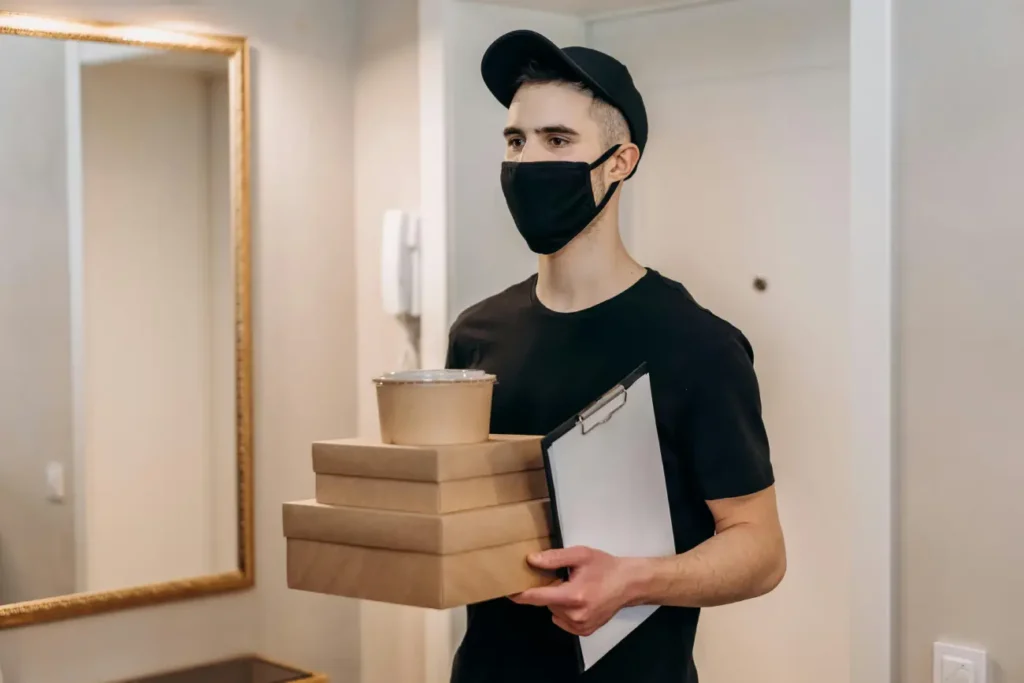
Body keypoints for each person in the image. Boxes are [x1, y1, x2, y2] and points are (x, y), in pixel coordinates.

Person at [445, 30, 787, 683]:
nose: (526, 161)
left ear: (620, 162)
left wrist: (633, 580)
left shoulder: (698, 344)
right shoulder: (476, 334)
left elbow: (761, 549)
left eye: (557, 140)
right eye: (515, 141)